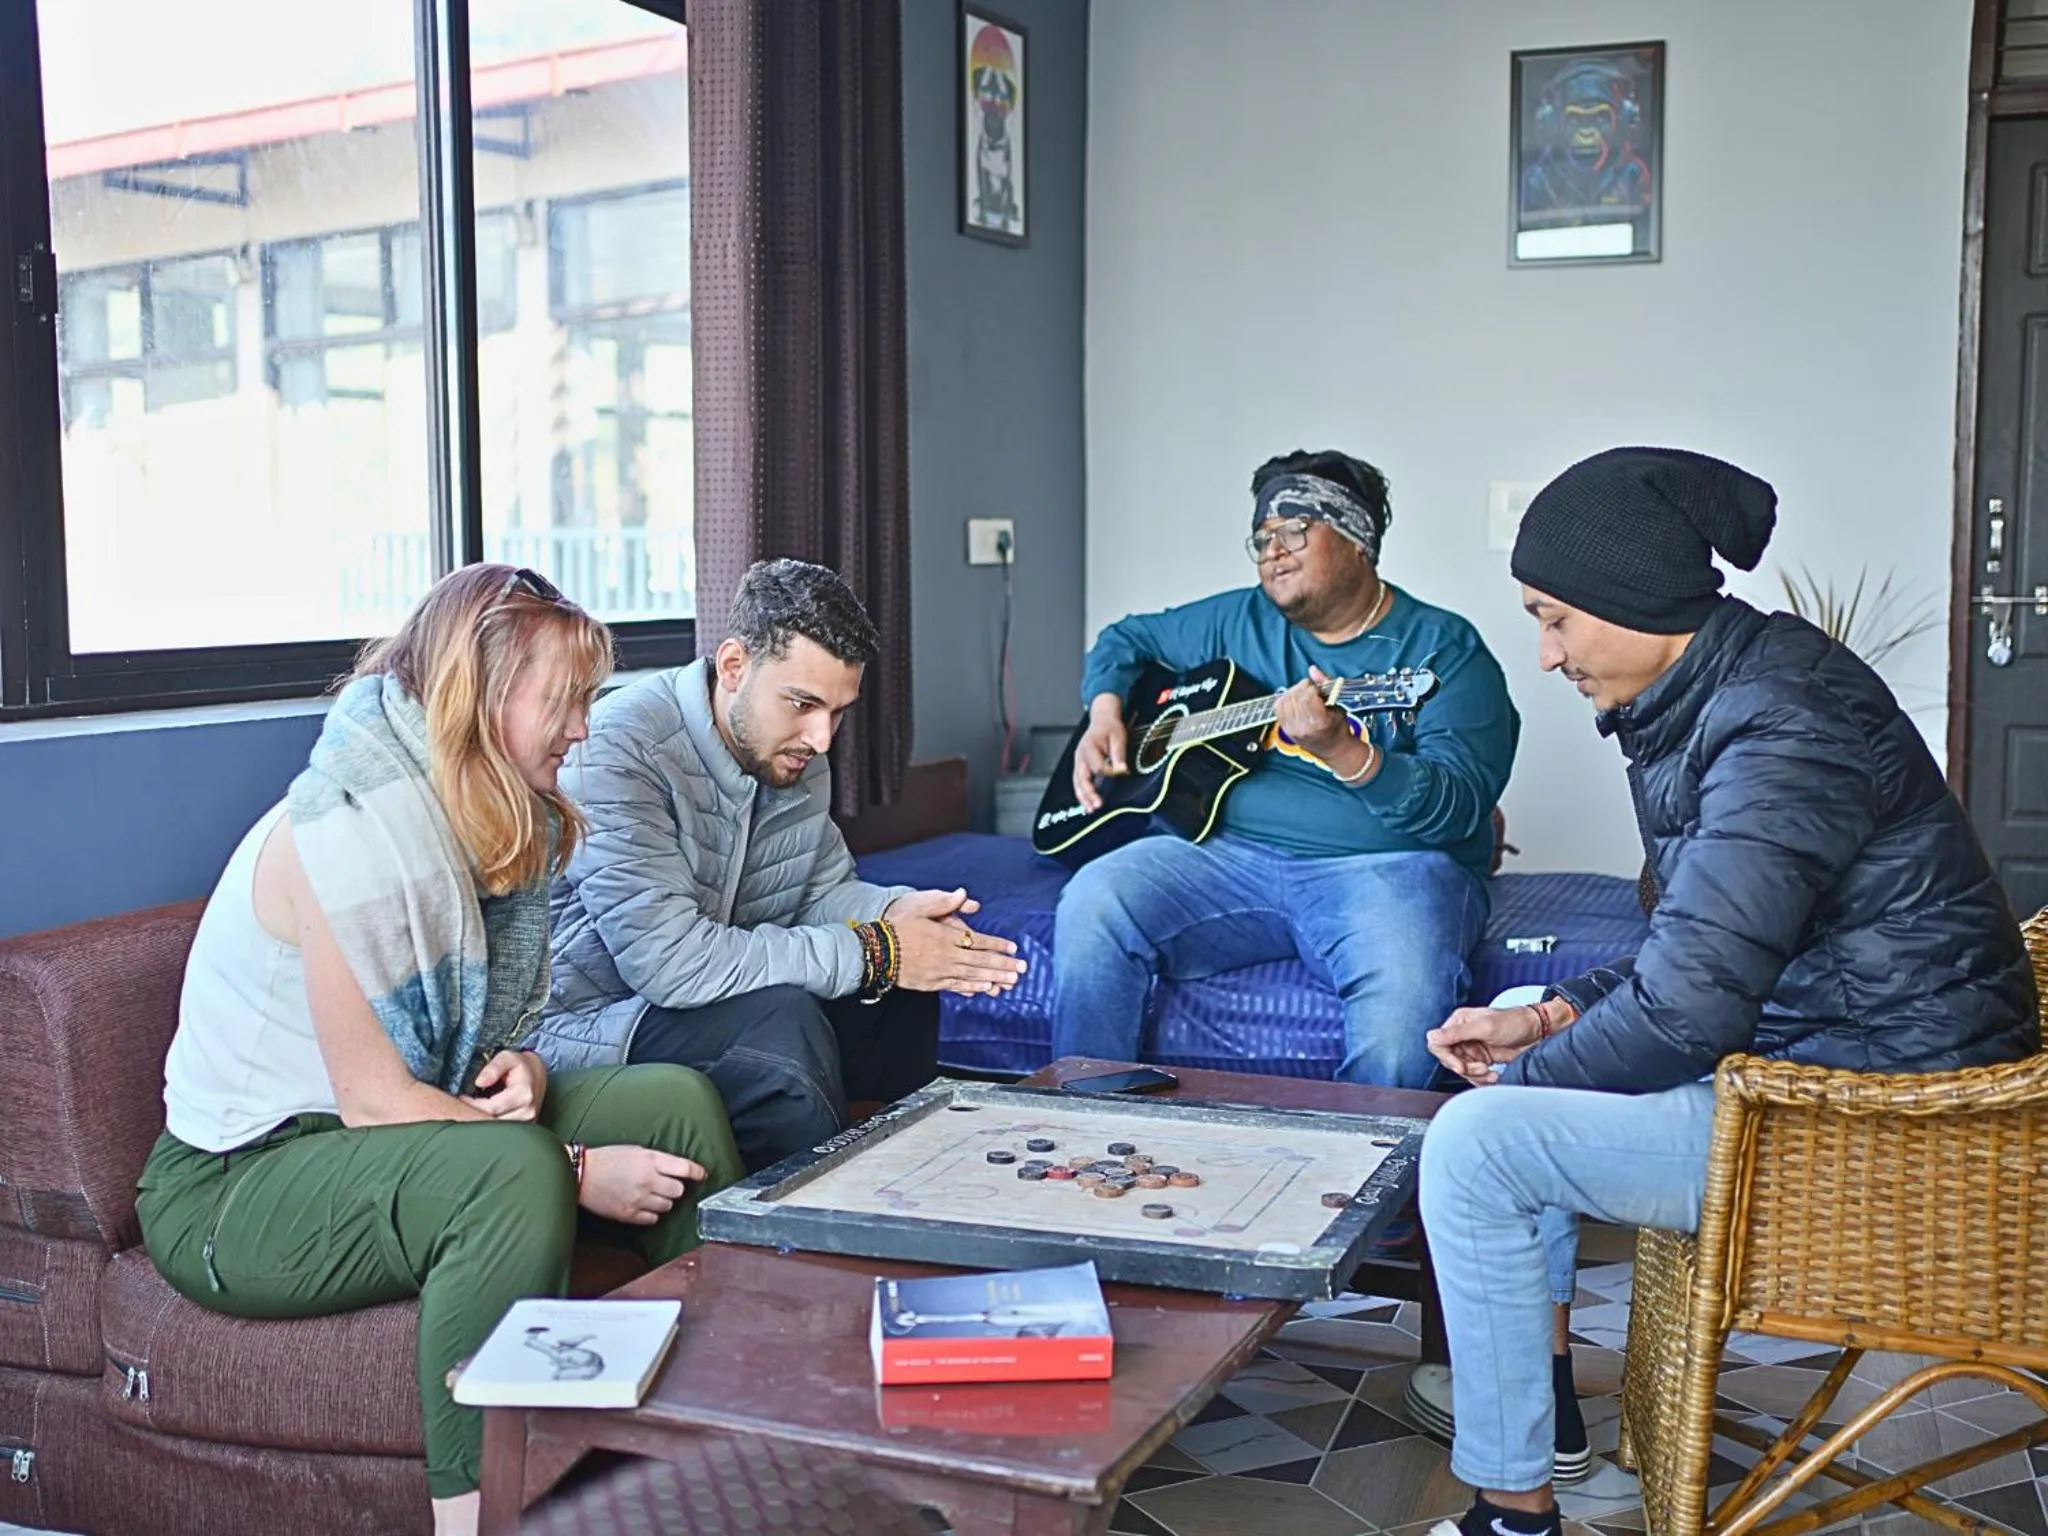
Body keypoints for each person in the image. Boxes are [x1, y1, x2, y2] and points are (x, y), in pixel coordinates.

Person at [1415, 448, 2039, 1536]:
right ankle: (1553, 1439)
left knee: (1479, 1145)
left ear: (1632, 595)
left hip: (1882, 1127)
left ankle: (1512, 1516)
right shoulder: (1728, 692)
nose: (1546, 652)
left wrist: (1519, 1076)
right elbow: (1698, 950)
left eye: (1555, 617)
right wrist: (1547, 1017)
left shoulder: (1776, 727)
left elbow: (1688, 1010)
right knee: (1523, 1104)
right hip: (1826, 1065)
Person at [135, 565, 744, 1536]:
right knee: (511, 1173)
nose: (581, 728)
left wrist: (530, 1072)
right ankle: (477, 1514)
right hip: (236, 1183)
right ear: (484, 695)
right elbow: (376, 1100)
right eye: (564, 701)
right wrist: (572, 1164)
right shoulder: (341, 835)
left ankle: (717, 1448)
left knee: (673, 1102)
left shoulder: (478, 817)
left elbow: (474, 1046)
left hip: (377, 1134)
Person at [1050, 449, 1521, 1088]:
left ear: (1358, 539)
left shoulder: (1444, 650)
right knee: (1095, 899)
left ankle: (1364, 1172)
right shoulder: (1237, 619)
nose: (1274, 550)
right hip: (1229, 858)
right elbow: (1126, 639)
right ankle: (1084, 1117)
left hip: (1389, 870)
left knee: (1403, 1000)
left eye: (1295, 531)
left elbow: (1461, 807)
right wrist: (1105, 709)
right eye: (1262, 538)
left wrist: (1344, 750)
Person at [536, 559, 1027, 1171]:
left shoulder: (791, 753)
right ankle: (804, 1237)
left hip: (701, 994)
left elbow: (817, 893)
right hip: (590, 1025)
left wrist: (896, 915)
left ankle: (911, 1188)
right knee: (784, 1022)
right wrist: (879, 950)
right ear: (735, 666)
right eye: (803, 703)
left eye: (838, 711)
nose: (822, 737)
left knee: (897, 991)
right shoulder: (617, 748)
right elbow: (669, 963)